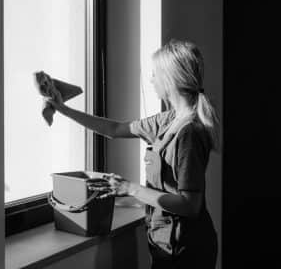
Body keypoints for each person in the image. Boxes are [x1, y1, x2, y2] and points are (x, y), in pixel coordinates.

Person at [46, 39, 220, 269]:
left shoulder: (189, 133)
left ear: (171, 79)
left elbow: (190, 205)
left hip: (187, 249)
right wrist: (63, 109)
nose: (151, 79)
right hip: (165, 242)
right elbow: (115, 129)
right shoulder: (167, 120)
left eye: (155, 74)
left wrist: (129, 188)